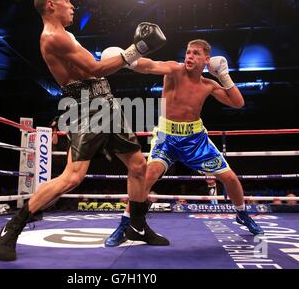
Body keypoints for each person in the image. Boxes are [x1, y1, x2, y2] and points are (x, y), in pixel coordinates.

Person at [0, 0, 169, 261]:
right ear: (51, 5)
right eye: (66, 0)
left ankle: (136, 226)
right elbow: (95, 69)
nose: (72, 5)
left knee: (138, 166)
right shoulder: (54, 38)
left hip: (105, 101)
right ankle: (12, 227)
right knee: (73, 176)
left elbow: (95, 71)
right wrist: (138, 49)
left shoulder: (66, 35)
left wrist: (131, 54)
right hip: (85, 105)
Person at [103, 39, 264, 247]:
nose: (190, 56)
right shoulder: (174, 70)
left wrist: (223, 75)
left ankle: (242, 213)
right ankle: (126, 224)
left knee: (230, 178)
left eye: (196, 53)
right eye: (188, 52)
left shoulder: (209, 84)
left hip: (195, 140)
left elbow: (237, 102)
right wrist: (127, 58)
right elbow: (149, 65)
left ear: (207, 60)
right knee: (147, 175)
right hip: (166, 137)